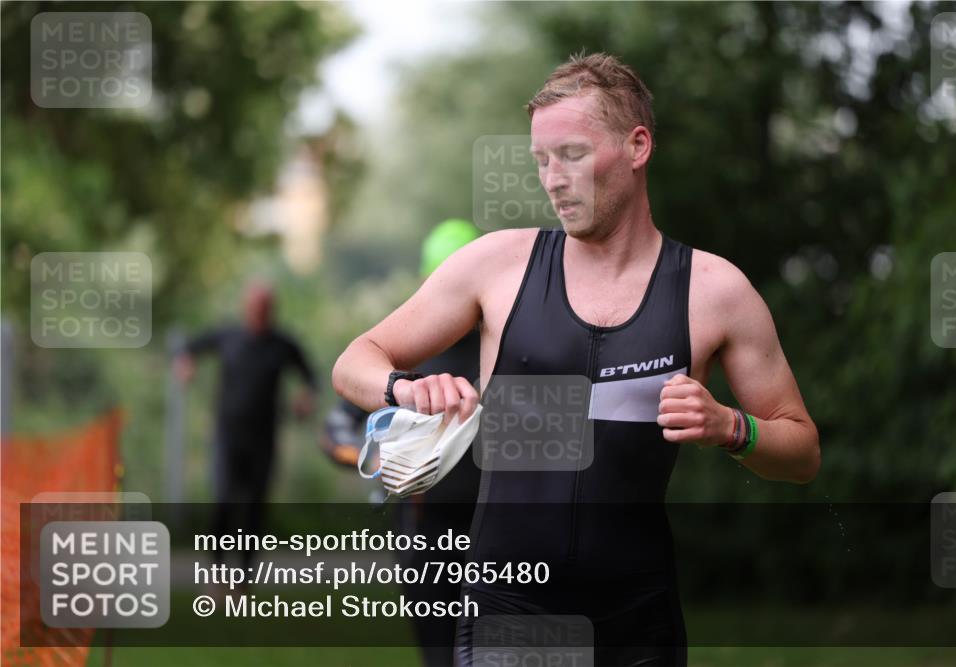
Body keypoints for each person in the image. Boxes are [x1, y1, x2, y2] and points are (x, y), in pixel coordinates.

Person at [331, 53, 820, 666]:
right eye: (541, 160)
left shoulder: (714, 292)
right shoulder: (497, 266)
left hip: (638, 624)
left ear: (637, 146)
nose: (552, 179)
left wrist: (732, 427)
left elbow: (801, 452)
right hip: (507, 614)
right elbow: (354, 361)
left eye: (572, 155)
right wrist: (406, 389)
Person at [321, 219, 482, 666]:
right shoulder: (406, 350)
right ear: (426, 282)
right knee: (438, 653)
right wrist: (373, 458)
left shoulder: (505, 347)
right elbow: (334, 428)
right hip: (424, 527)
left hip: (498, 527)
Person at [174, 280, 316, 570]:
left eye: (265, 308)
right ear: (245, 308)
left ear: (272, 310)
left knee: (255, 506)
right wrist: (185, 364)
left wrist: (305, 397)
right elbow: (188, 348)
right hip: (228, 435)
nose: (259, 313)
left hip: (264, 437)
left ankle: (243, 575)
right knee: (224, 499)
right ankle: (216, 569)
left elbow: (309, 377)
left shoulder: (282, 344)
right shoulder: (229, 336)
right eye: (254, 307)